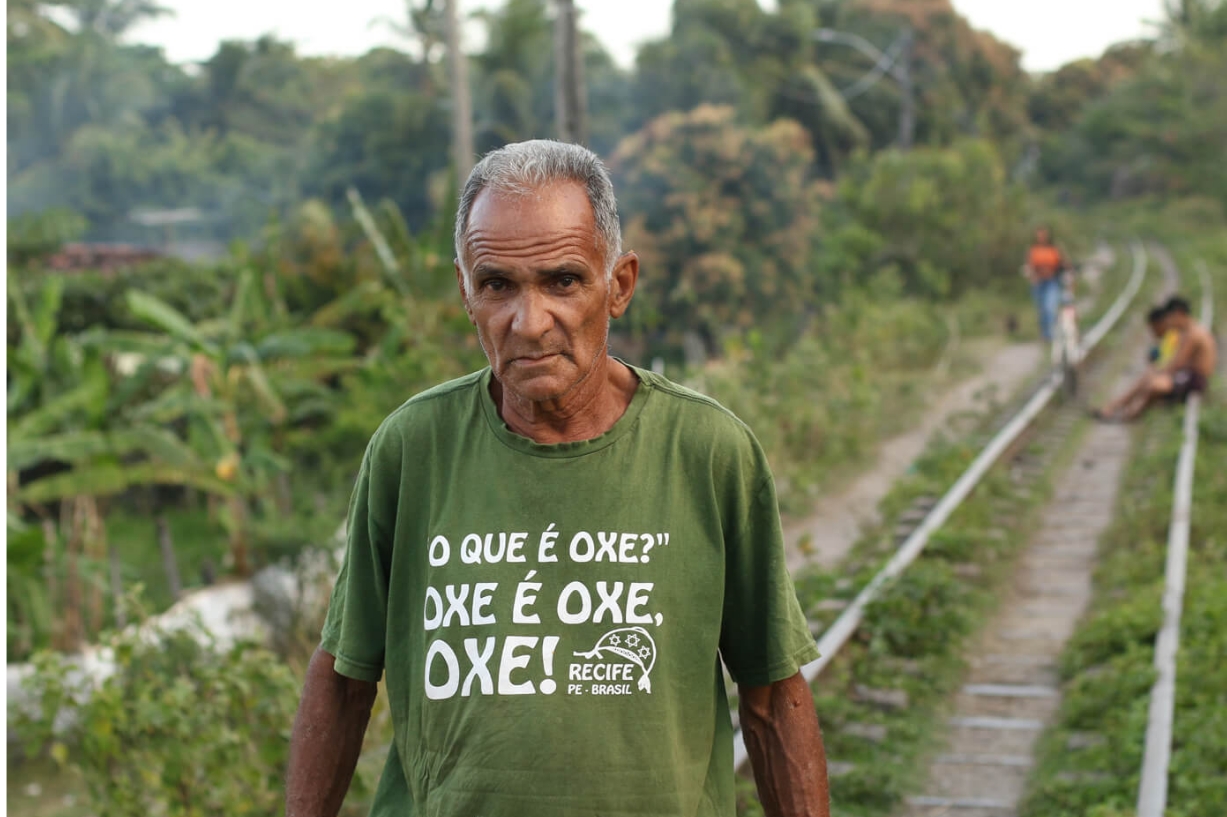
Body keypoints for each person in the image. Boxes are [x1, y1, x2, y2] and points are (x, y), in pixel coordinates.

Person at [285, 140, 830, 817]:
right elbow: (342, 681)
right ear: (466, 292)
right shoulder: (411, 450)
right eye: (497, 285)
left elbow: (772, 694)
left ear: (619, 285)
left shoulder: (707, 451)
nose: (528, 320)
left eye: (562, 281)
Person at [1095, 296, 1217, 422]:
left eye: (1171, 317)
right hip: (1188, 376)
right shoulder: (1188, 331)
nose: (1170, 322)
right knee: (1150, 378)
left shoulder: (1193, 334)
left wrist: (1159, 374)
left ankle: (1126, 412)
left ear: (1179, 314)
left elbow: (1178, 363)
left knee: (1154, 383)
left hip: (1194, 380)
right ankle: (1119, 409)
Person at [1022, 226, 1069, 342]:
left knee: (1050, 307)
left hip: (1051, 281)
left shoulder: (1054, 248)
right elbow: (1028, 265)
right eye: (1039, 235)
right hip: (1038, 282)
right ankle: (1045, 334)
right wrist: (1031, 275)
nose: (1041, 237)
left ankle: (1050, 334)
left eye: (1043, 235)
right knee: (1041, 309)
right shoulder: (1033, 250)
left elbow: (1064, 262)